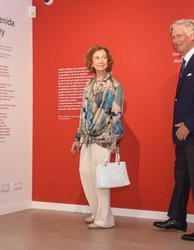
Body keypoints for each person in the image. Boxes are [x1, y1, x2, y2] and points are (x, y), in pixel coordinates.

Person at [153, 19, 194, 241]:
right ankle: (177, 218)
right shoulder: (186, 63)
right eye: (173, 37)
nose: (175, 40)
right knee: (181, 177)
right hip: (184, 136)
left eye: (179, 36)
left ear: (193, 35)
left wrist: (190, 126)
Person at [71, 45, 124, 229]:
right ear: (91, 63)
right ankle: (96, 211)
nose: (101, 60)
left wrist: (115, 140)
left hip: (104, 138)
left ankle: (105, 219)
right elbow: (83, 113)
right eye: (97, 58)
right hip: (87, 137)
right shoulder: (89, 85)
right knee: (86, 174)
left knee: (100, 179)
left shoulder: (115, 85)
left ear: (108, 61)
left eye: (103, 57)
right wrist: (77, 138)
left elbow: (117, 113)